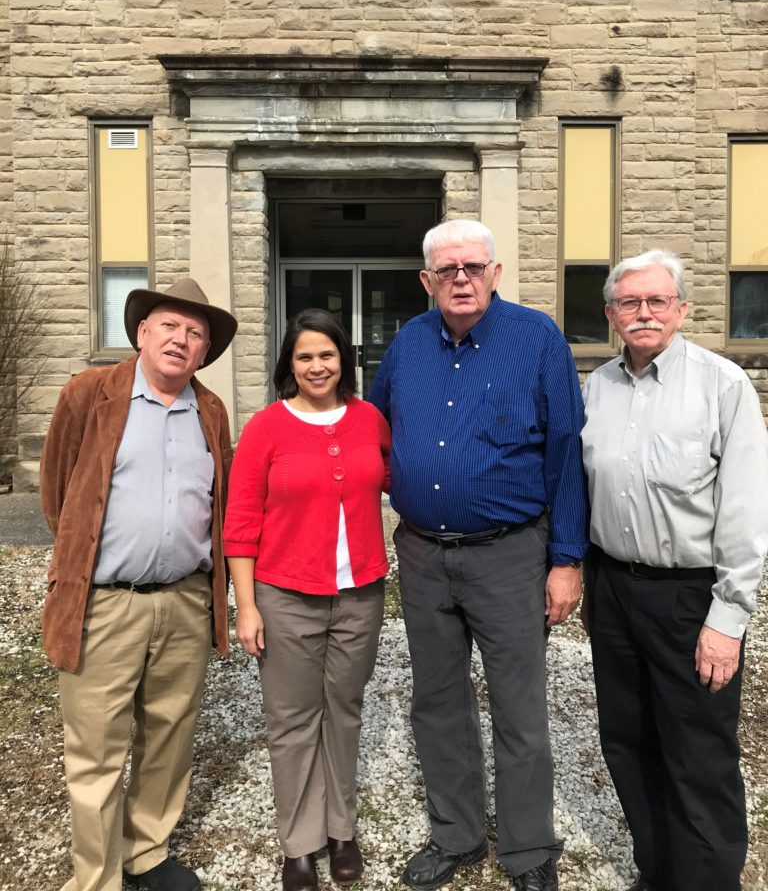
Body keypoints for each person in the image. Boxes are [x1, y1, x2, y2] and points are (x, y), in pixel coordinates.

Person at [368, 219, 589, 891]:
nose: (460, 279)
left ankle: (527, 850)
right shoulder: (407, 345)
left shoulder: (537, 339)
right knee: (437, 703)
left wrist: (566, 558)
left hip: (510, 554)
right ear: (426, 281)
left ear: (494, 273)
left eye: (472, 267)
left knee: (518, 707)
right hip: (425, 556)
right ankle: (456, 835)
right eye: (446, 270)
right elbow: (376, 435)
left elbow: (566, 453)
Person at [39, 278, 238, 891]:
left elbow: (217, 501)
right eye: (170, 326)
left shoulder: (210, 410)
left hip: (184, 599)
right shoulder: (89, 394)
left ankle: (146, 849)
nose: (181, 340)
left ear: (204, 352)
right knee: (97, 748)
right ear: (142, 333)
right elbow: (57, 491)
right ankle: (96, 877)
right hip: (106, 602)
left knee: (169, 733)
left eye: (195, 333)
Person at [581, 249, 768, 891]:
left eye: (657, 301)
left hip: (690, 598)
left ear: (682, 309)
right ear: (610, 314)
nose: (643, 313)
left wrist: (729, 618)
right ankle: (658, 872)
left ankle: (708, 880)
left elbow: (746, 512)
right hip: (613, 591)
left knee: (698, 756)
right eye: (629, 302)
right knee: (628, 743)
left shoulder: (723, 386)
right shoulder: (597, 387)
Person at [223, 308, 391, 891]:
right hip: (285, 595)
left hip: (360, 595)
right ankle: (299, 842)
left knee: (343, 713)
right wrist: (246, 606)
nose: (317, 366)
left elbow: (403, 476)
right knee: (292, 720)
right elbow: (240, 523)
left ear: (343, 359)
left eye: (327, 354)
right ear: (288, 365)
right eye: (304, 356)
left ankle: (342, 829)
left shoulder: (369, 419)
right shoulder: (267, 427)